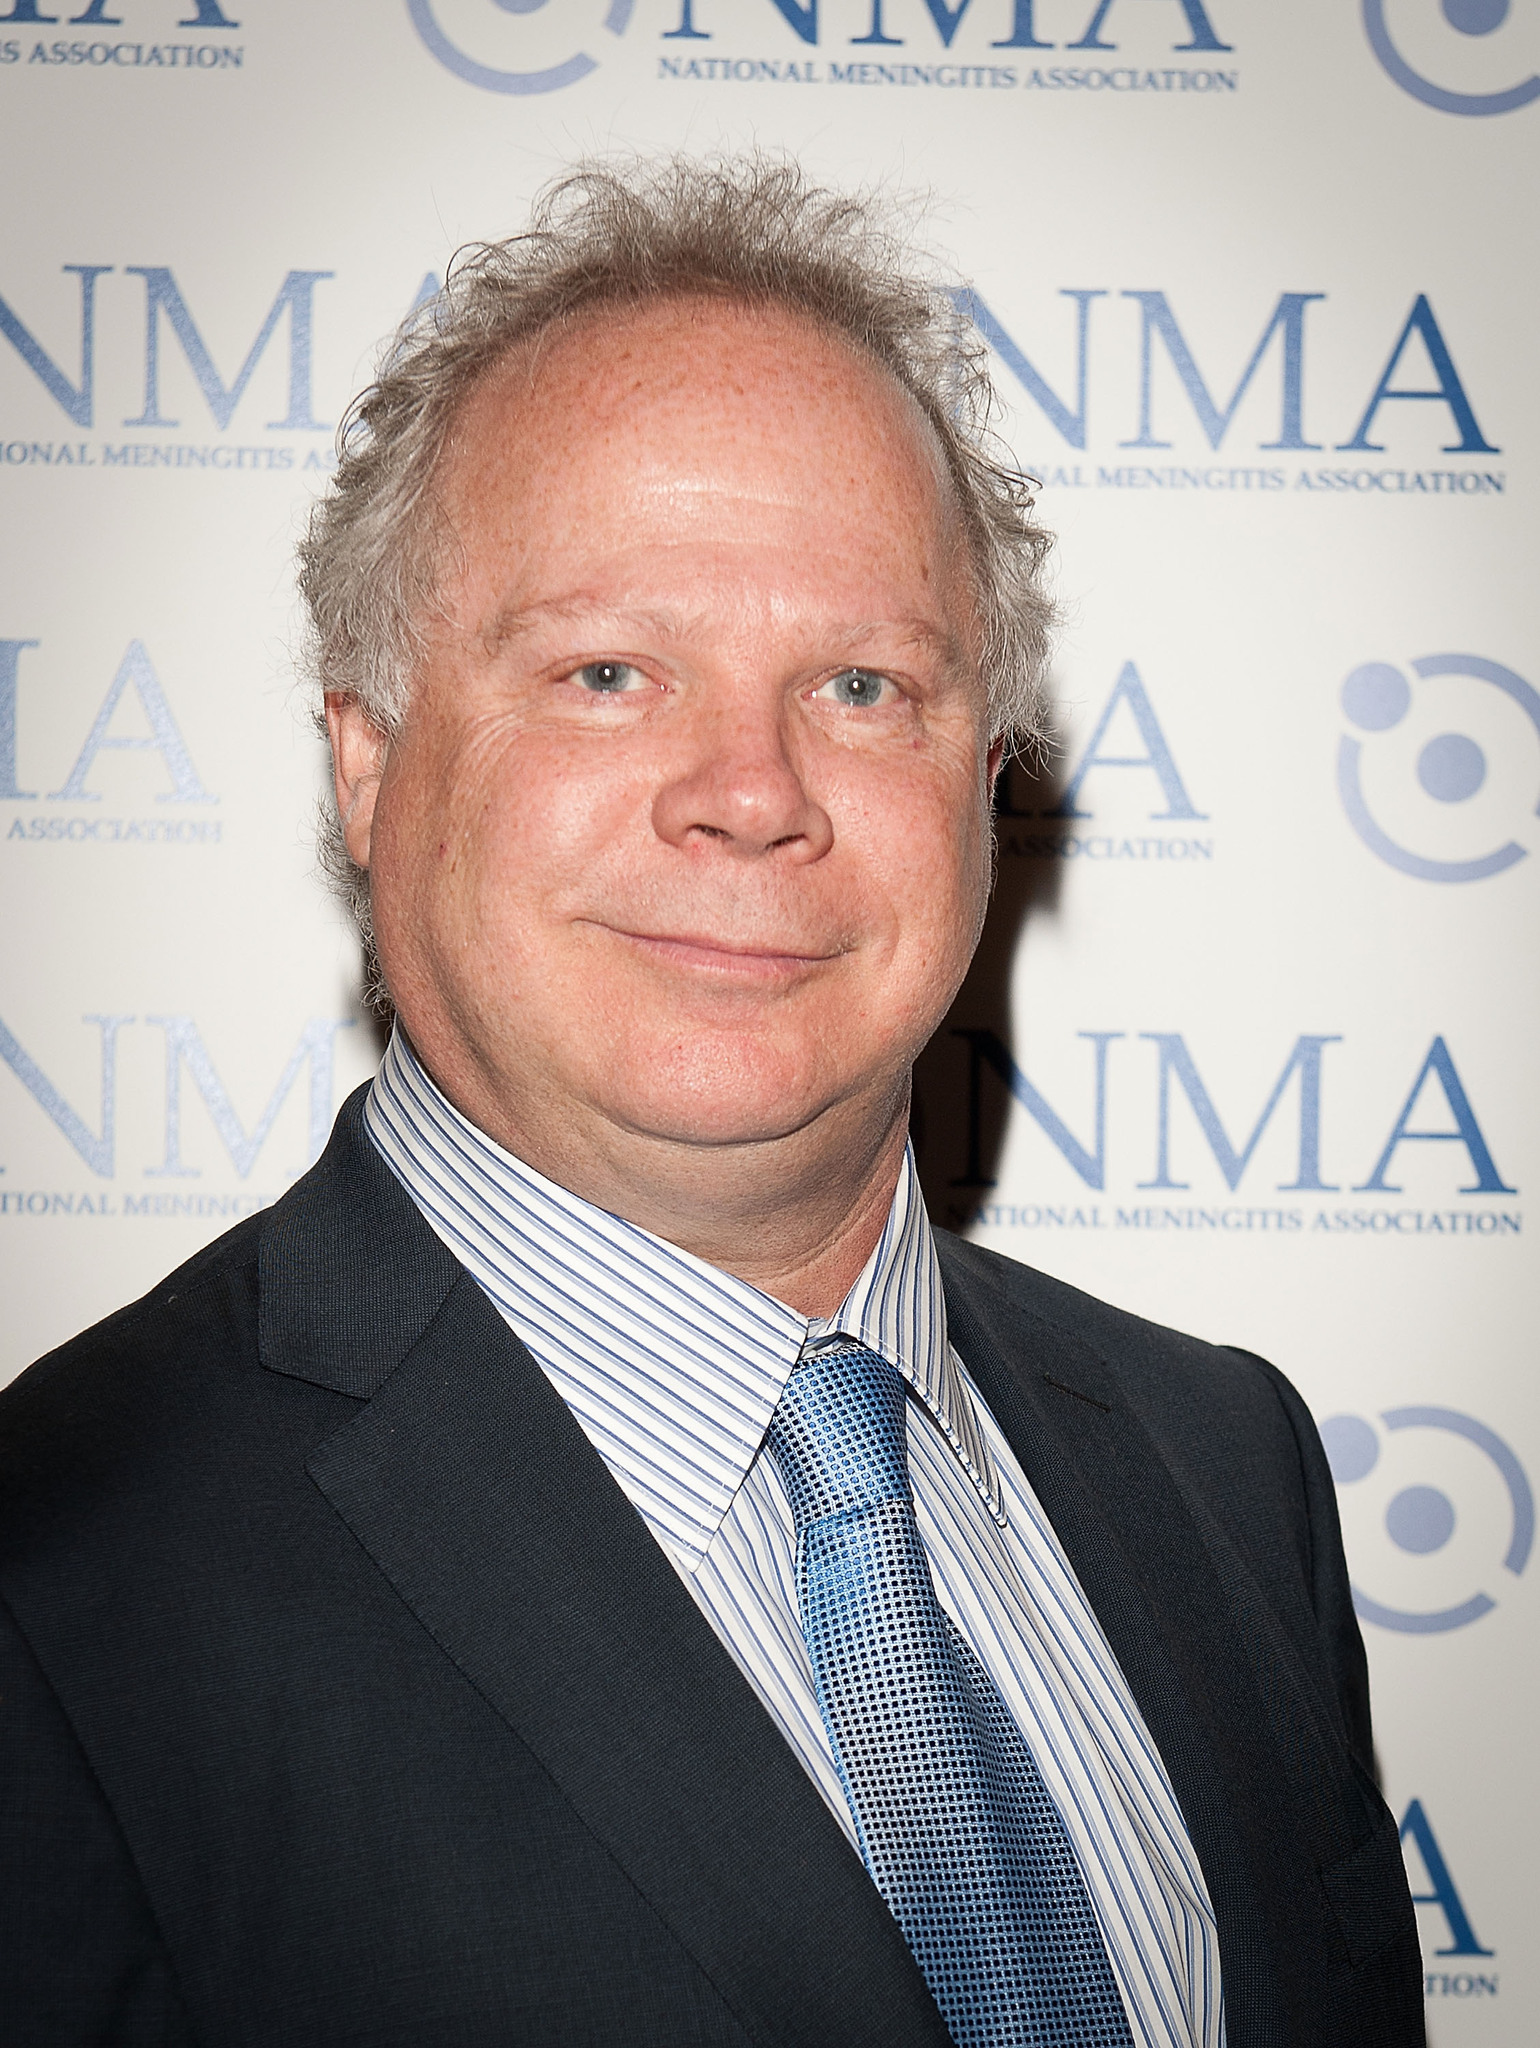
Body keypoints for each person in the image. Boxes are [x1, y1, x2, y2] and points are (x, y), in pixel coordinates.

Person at [0, 157, 1421, 2048]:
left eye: (862, 684)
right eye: (609, 672)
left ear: (985, 778)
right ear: (369, 763)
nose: (752, 790)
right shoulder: (58, 1576)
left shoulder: (1226, 1464)